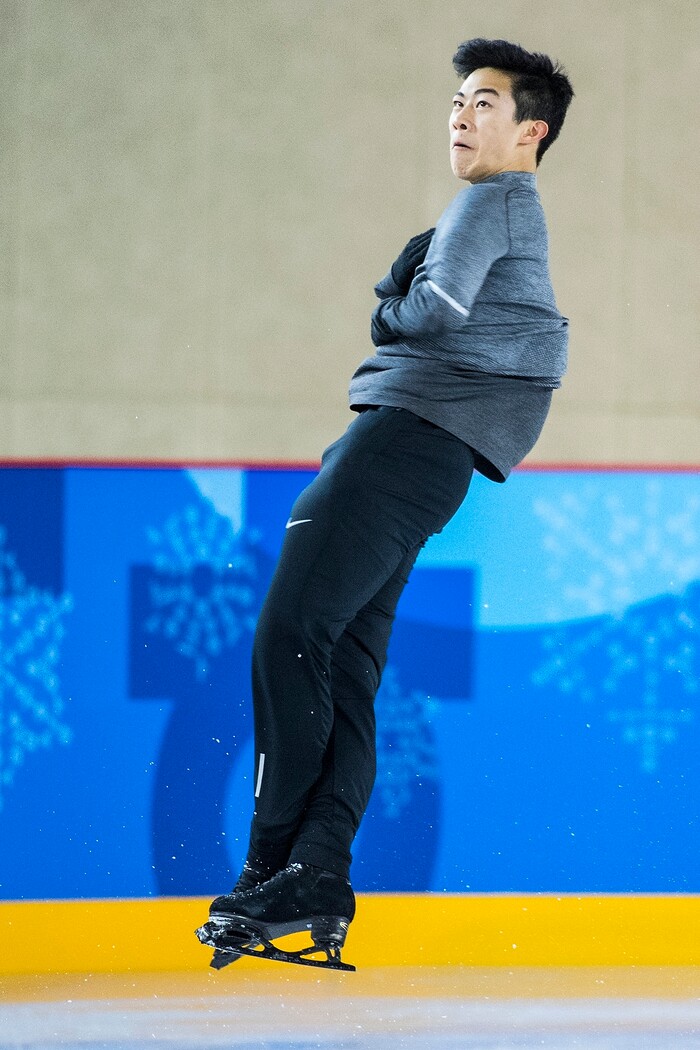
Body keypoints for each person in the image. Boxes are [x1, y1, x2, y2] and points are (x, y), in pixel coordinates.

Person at [196, 37, 574, 970]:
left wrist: (387, 308)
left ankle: (268, 866)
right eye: (457, 100)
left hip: (400, 441)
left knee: (290, 634)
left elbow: (435, 309)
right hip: (431, 459)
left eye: (484, 103)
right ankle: (319, 870)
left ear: (531, 130)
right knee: (345, 666)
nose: (461, 115)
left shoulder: (490, 201)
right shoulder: (512, 214)